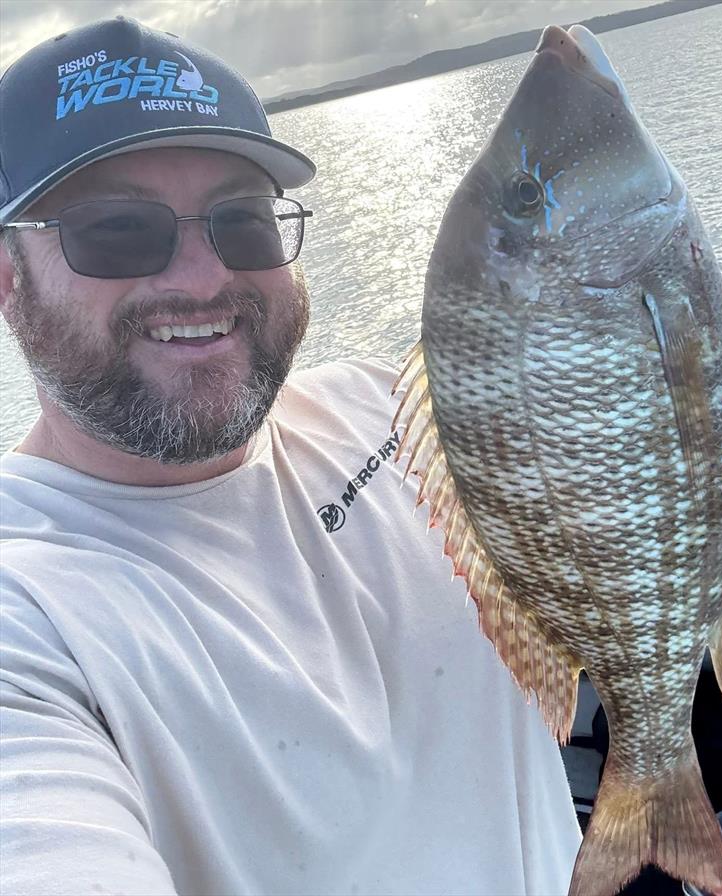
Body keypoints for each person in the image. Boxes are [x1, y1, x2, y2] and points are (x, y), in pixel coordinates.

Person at [0, 17, 581, 896]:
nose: (202, 278)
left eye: (240, 220)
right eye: (116, 230)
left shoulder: (396, 405)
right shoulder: (28, 618)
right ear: (8, 278)